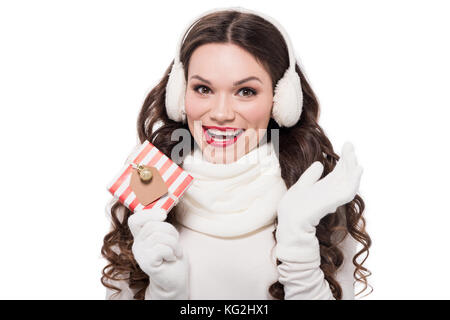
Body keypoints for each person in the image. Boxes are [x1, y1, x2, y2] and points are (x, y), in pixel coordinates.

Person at [101, 6, 372, 300]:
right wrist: (165, 292)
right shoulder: (145, 192)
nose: (220, 113)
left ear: (281, 100)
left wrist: (299, 250)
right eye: (203, 89)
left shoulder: (317, 200)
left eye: (246, 92)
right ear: (179, 93)